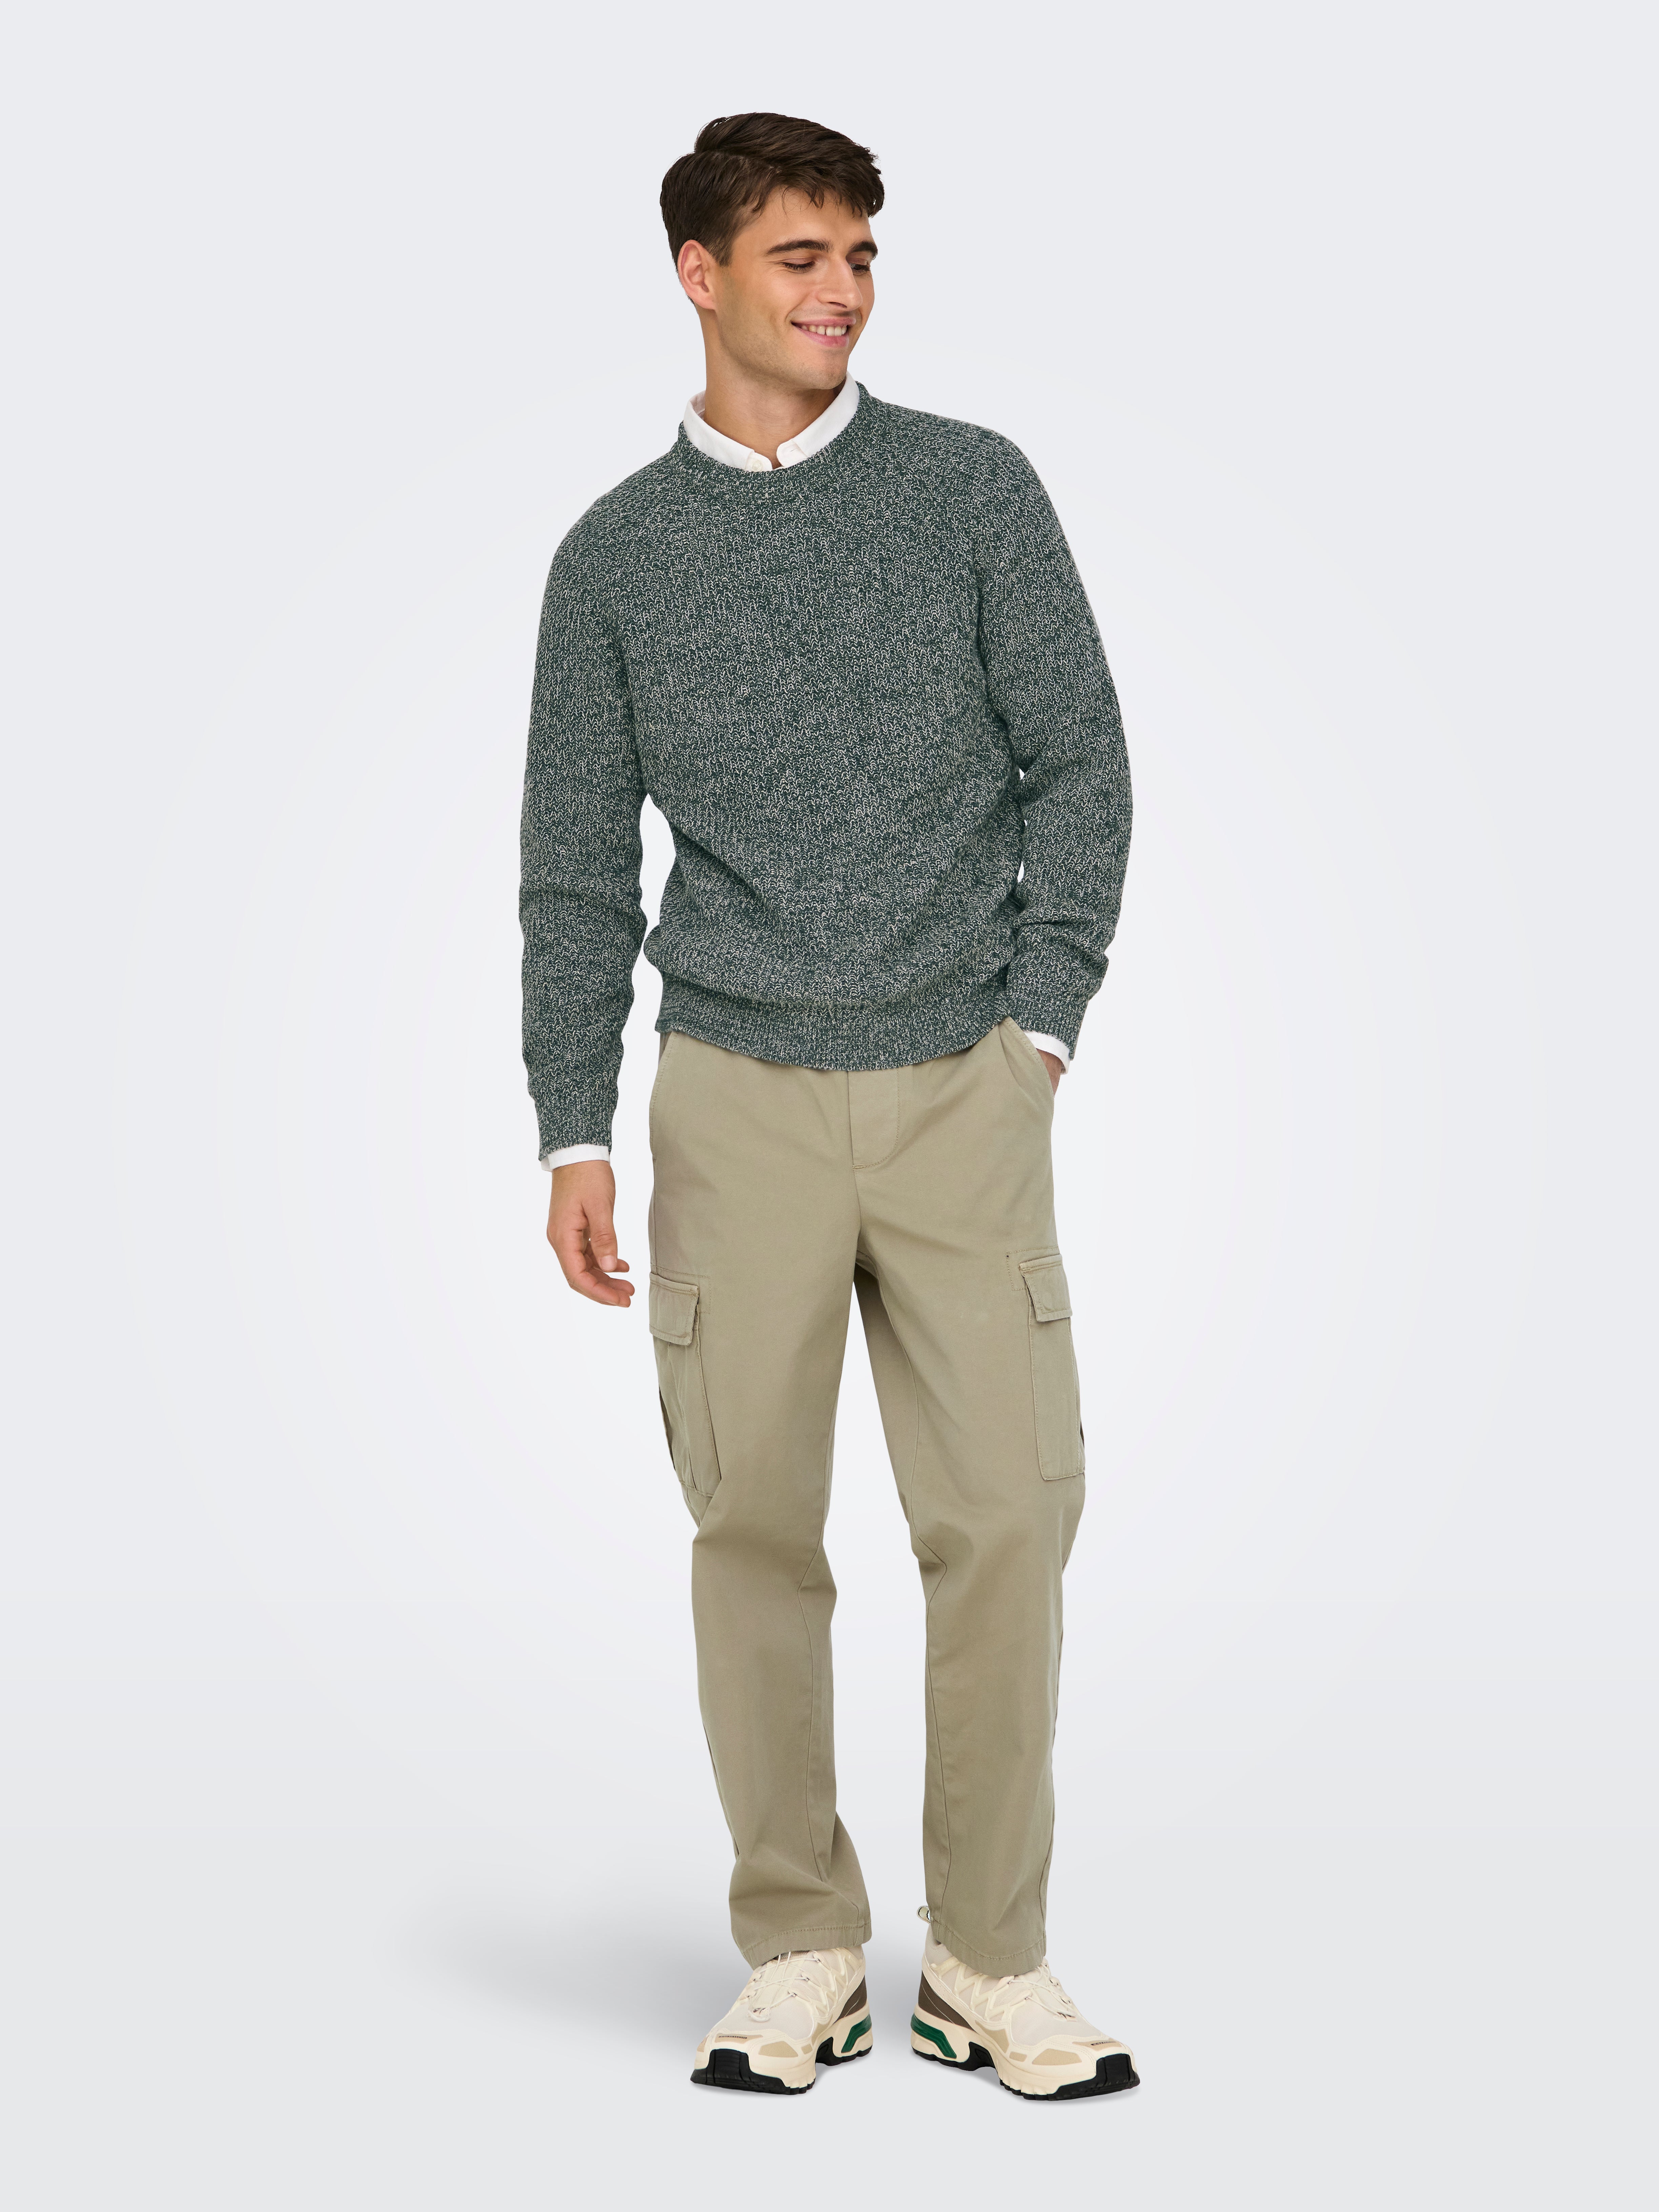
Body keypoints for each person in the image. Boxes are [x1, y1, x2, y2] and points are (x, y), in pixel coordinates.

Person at [520, 112, 1137, 2101]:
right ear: (699, 274)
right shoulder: (616, 557)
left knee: (1008, 1522)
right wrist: (573, 1125)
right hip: (733, 1101)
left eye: (862, 254)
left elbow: (1083, 762)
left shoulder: (971, 489)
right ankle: (798, 1948)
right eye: (802, 256)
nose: (844, 290)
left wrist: (1040, 1029)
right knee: (755, 1532)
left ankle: (991, 1960)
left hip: (964, 1083)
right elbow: (572, 868)